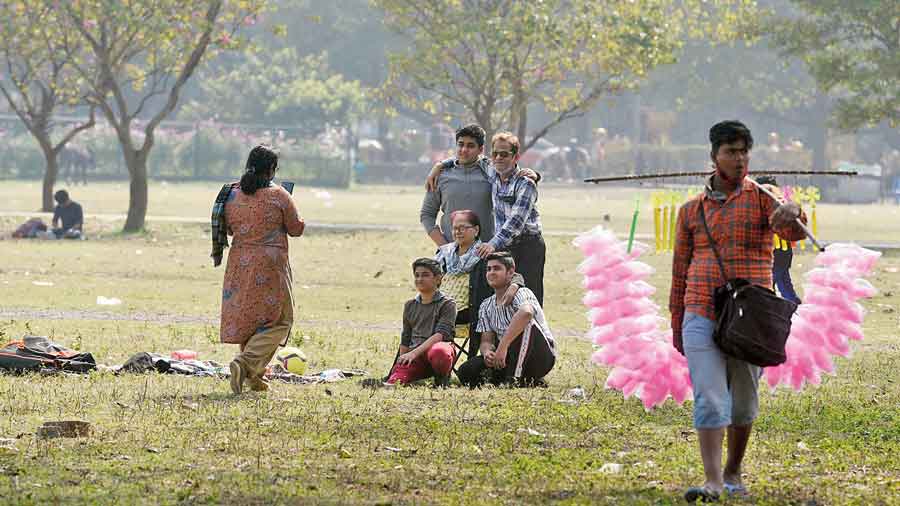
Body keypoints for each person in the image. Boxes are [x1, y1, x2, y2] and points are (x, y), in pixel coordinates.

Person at [670, 121, 808, 502]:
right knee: (710, 397)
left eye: (745, 151)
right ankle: (713, 479)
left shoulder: (765, 199)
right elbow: (680, 270)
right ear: (714, 156)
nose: (740, 158)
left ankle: (733, 471)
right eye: (731, 151)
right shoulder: (689, 212)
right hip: (700, 310)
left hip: (751, 318)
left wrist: (794, 213)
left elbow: (792, 230)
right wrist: (676, 324)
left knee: (744, 402)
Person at [215, 145, 305, 394]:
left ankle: (254, 377)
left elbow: (229, 229)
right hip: (270, 265)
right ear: (272, 170)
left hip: (239, 263)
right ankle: (244, 363)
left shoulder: (231, 193)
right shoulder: (279, 195)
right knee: (279, 320)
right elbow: (296, 228)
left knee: (250, 320)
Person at [429, 131, 547, 305]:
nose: (499, 158)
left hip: (528, 246)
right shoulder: (492, 172)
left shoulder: (525, 183)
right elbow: (471, 157)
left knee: (529, 297)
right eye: (495, 154)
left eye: (504, 154)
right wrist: (439, 165)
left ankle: (534, 332)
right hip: (505, 247)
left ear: (515, 157)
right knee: (503, 298)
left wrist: (492, 244)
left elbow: (515, 222)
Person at [420, 123, 538, 247]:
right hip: (452, 251)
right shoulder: (440, 176)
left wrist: (534, 175)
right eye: (460, 144)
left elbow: (511, 171)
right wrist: (444, 246)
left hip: (487, 252)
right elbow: (427, 214)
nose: (464, 150)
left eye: (470, 146)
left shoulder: (492, 172)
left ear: (481, 150)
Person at [456, 252, 556, 388]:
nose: (491, 272)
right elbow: (486, 340)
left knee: (525, 323)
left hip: (539, 357)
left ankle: (513, 379)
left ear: (510, 273)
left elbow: (526, 313)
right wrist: (487, 353)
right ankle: (525, 381)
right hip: (506, 357)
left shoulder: (522, 292)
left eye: (497, 268)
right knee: (466, 371)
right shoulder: (486, 305)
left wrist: (503, 346)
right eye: (488, 269)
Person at [435, 209, 524, 356]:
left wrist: (514, 285)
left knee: (428, 318)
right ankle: (406, 367)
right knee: (418, 312)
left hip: (466, 312)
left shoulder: (485, 253)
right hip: (439, 308)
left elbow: (513, 274)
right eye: (455, 228)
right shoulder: (445, 253)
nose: (458, 232)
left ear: (476, 230)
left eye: (463, 228)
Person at [386, 258, 457, 387]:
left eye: (425, 275)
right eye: (417, 275)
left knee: (440, 351)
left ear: (438, 279)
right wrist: (401, 363)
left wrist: (413, 353)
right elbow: (406, 338)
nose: (419, 279)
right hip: (415, 357)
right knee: (394, 383)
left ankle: (441, 379)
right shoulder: (409, 305)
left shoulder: (448, 304)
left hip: (436, 353)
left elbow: (441, 335)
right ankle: (413, 376)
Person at [755, 176, 801, 304]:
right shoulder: (783, 204)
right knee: (784, 284)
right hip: (783, 253)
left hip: (776, 252)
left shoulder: (773, 204)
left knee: (770, 285)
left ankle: (784, 308)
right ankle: (795, 307)